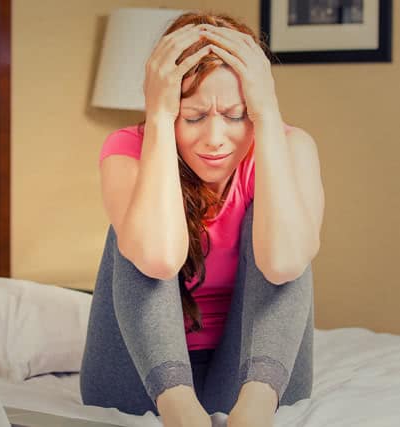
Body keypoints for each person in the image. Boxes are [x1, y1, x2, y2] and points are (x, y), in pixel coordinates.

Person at [80, 11, 324, 427]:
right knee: (135, 230)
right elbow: (156, 258)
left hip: (254, 383)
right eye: (192, 117)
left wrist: (267, 117)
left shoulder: (291, 146)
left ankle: (255, 410)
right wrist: (157, 118)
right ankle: (181, 412)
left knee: (282, 221)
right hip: (141, 382)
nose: (214, 139)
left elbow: (285, 263)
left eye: (235, 115)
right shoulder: (126, 149)